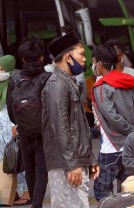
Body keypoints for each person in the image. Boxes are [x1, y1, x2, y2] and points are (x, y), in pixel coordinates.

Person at [42, 32, 99, 207]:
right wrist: (72, 164)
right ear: (68, 57)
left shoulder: (68, 82)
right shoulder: (57, 84)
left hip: (72, 161)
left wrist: (89, 159)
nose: (85, 60)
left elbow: (79, 127)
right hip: (65, 163)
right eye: (81, 54)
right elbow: (60, 127)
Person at [91, 43, 134, 201]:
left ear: (99, 63)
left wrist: (129, 129)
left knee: (101, 189)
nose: (92, 66)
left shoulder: (101, 86)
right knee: (127, 187)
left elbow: (111, 116)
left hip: (112, 146)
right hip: (130, 144)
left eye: (93, 62)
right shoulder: (128, 80)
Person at [8, 38, 50, 208]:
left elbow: (11, 109)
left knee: (29, 168)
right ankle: (37, 204)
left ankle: (33, 200)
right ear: (41, 57)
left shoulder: (15, 79)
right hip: (43, 131)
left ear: (23, 59)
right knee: (41, 169)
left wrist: (20, 122)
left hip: (24, 131)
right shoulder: (48, 78)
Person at [0, 55, 30, 205]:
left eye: (2, 69)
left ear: (10, 68)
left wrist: (16, 126)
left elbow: (18, 107)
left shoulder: (15, 83)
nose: (0, 72)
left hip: (11, 129)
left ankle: (26, 192)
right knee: (6, 161)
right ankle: (13, 191)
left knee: (17, 159)